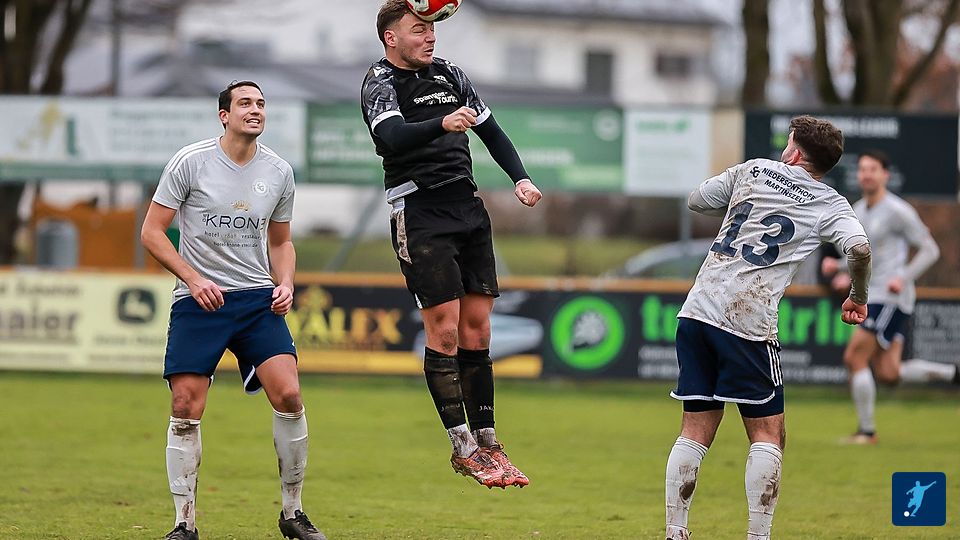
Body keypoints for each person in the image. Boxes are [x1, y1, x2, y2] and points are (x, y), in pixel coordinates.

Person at [360, 0, 542, 489]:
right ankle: (462, 447)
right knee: (443, 330)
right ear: (391, 38)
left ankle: (489, 442)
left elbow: (492, 132)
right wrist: (442, 123)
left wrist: (521, 178)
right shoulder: (380, 80)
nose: (430, 36)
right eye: (418, 29)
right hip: (420, 211)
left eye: (431, 29)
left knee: (478, 328)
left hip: (467, 208)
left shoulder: (451, 74)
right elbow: (392, 137)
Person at [664, 115, 872, 540]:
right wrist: (858, 296)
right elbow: (860, 248)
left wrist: (745, 196)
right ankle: (758, 537)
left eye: (788, 143)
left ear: (794, 152)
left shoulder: (755, 170)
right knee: (768, 434)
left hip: (697, 311)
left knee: (695, 429)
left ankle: (675, 530)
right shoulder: (830, 203)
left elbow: (697, 200)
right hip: (747, 323)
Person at [141, 80, 326, 540]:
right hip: (200, 300)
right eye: (245, 103)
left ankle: (293, 513)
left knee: (290, 395)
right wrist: (193, 278)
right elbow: (152, 232)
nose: (255, 109)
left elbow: (281, 242)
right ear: (224, 115)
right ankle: (184, 524)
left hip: (257, 301)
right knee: (185, 405)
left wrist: (286, 282)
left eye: (261, 103)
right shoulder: (190, 162)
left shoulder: (278, 171)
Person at [820, 150, 957, 445]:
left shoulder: (898, 211)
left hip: (889, 298)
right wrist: (840, 267)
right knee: (888, 373)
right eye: (862, 169)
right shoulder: (857, 210)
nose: (866, 174)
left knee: (854, 356)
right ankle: (953, 374)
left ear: (885, 175)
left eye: (873, 169)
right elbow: (868, 256)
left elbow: (930, 249)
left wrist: (903, 277)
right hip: (874, 294)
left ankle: (866, 432)